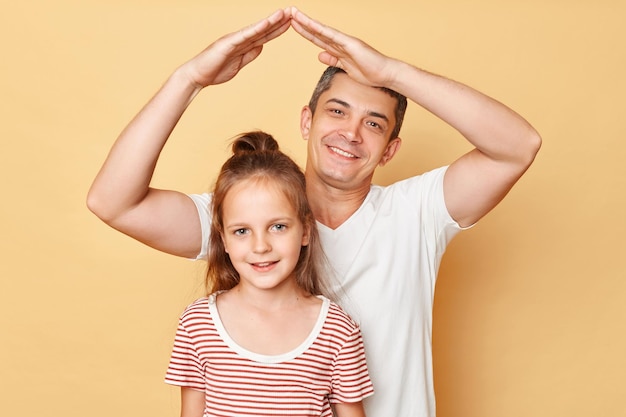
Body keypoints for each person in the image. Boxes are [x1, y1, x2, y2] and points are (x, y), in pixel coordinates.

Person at [87, 7, 541, 417]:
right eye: (337, 111)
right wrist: (189, 79)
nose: (351, 133)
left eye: (374, 123)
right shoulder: (248, 216)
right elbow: (112, 201)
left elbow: (518, 147)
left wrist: (393, 73)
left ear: (389, 150)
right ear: (307, 121)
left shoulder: (417, 211)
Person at [164, 131, 373, 417]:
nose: (260, 246)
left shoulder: (337, 331)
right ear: (223, 239)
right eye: (241, 231)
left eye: (278, 227)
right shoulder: (197, 324)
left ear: (306, 230)